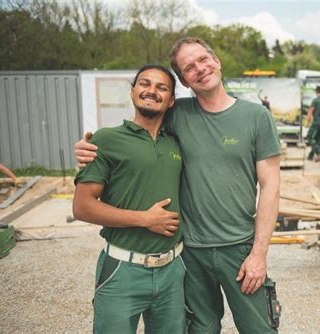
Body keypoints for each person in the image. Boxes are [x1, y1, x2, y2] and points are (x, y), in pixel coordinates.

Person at [75, 37, 282, 333]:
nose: (199, 68)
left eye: (203, 59)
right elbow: (138, 128)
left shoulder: (256, 117)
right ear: (184, 80)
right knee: (200, 329)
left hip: (239, 248)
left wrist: (259, 255)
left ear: (216, 61)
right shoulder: (177, 114)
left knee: (259, 328)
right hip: (190, 253)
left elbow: (271, 187)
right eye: (189, 67)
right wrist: (86, 149)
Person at [73, 65, 186, 334]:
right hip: (123, 268)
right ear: (133, 91)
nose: (151, 91)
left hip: (172, 270)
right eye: (144, 84)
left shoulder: (177, 143)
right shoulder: (106, 139)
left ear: (171, 101)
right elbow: (82, 207)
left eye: (161, 87)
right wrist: (145, 219)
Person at [306, 86, 320, 161]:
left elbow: (310, 111)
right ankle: (310, 156)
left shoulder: (315, 100)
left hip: (317, 120)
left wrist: (307, 121)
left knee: (310, 137)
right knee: (317, 139)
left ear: (316, 92)